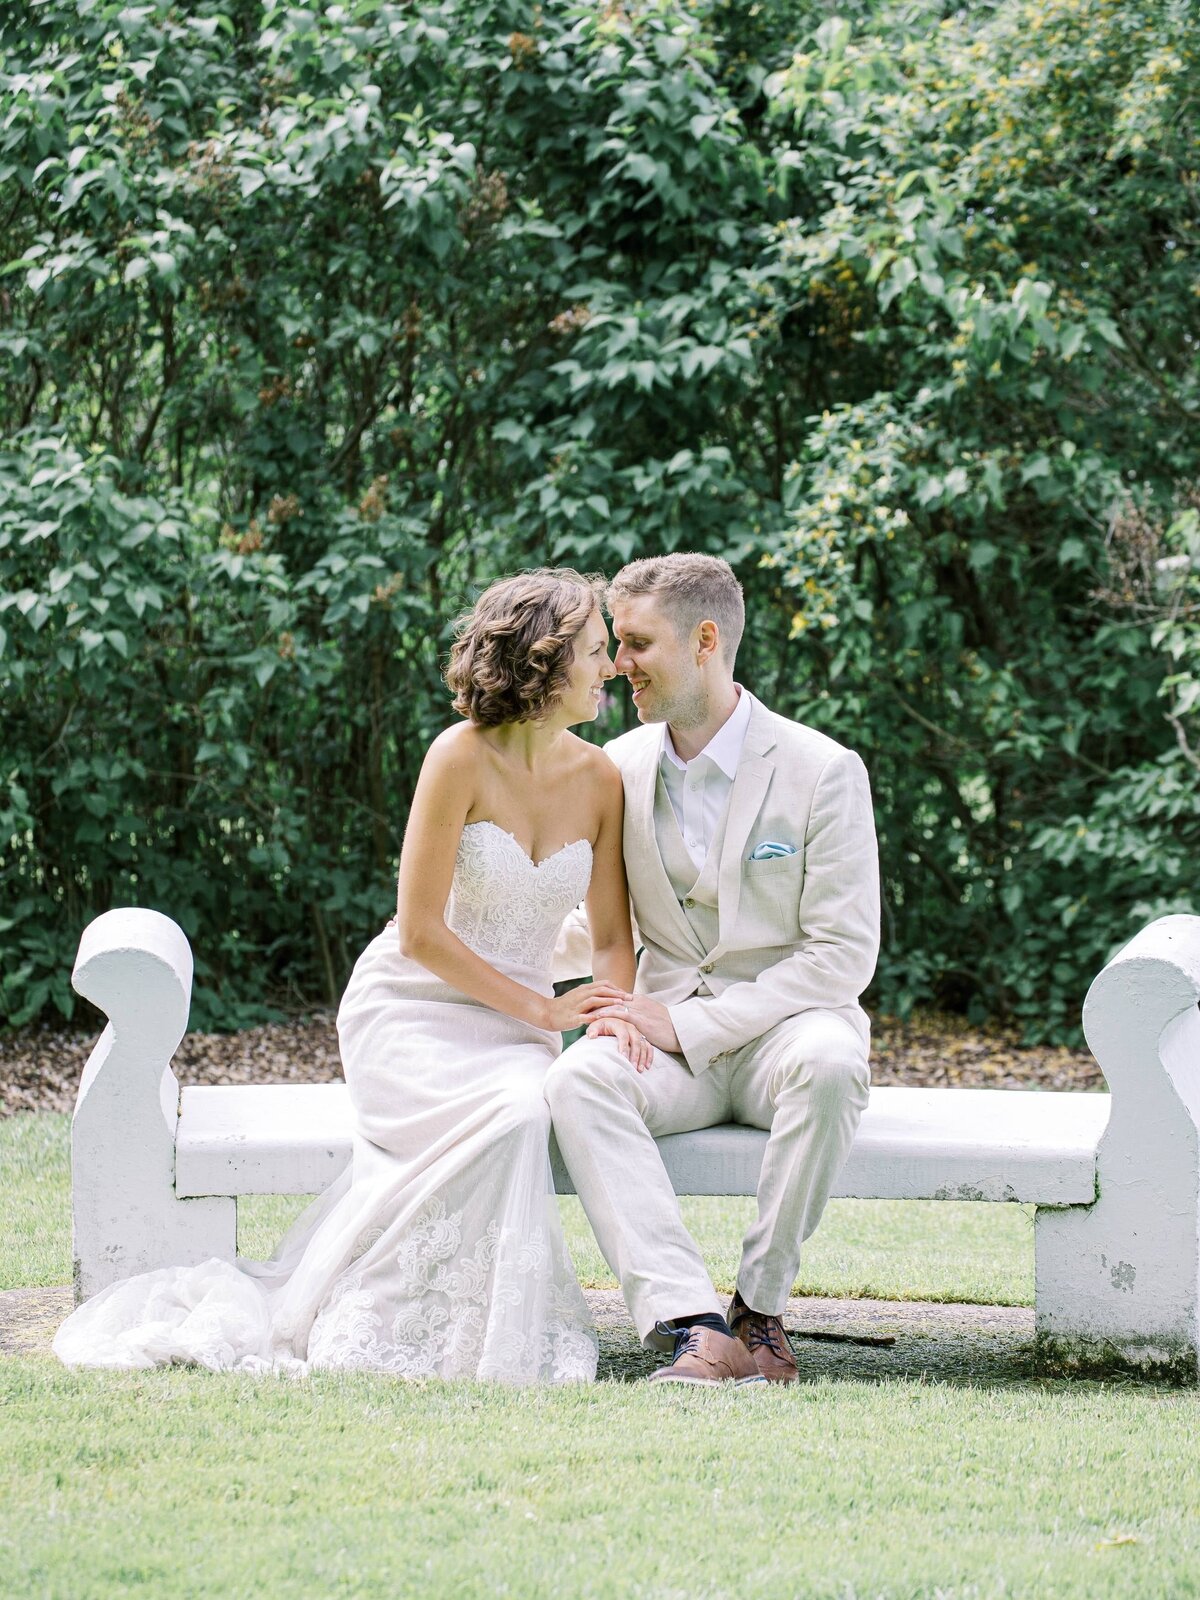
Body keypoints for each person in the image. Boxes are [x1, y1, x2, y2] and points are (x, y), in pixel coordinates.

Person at [54, 567, 648, 1382]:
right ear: (542, 665)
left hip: (515, 1025)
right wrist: (546, 1014)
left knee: (520, 1108)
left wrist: (606, 1013)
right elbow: (420, 933)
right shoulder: (458, 758)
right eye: (591, 650)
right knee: (513, 1115)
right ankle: (393, 1318)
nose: (609, 665)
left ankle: (477, 1326)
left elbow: (614, 937)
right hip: (412, 1009)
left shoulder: (602, 778)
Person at [546, 553, 879, 1386]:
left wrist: (693, 1023)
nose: (618, 664)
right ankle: (693, 1323)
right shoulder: (614, 768)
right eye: (615, 644)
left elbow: (843, 953)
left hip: (784, 1037)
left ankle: (758, 1314)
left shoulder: (822, 771)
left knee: (836, 1065)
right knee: (581, 1079)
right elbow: (592, 921)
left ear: (704, 641)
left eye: (635, 643)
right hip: (666, 1044)